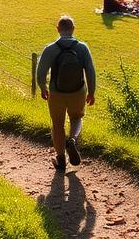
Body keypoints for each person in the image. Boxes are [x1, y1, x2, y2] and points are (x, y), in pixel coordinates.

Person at [36, 15, 96, 171]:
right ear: (73, 29)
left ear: (58, 29)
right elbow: (90, 71)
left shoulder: (51, 48)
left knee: (57, 125)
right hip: (78, 91)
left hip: (56, 93)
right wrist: (91, 92)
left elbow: (40, 73)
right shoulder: (82, 48)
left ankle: (61, 160)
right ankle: (73, 140)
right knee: (76, 118)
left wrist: (43, 88)